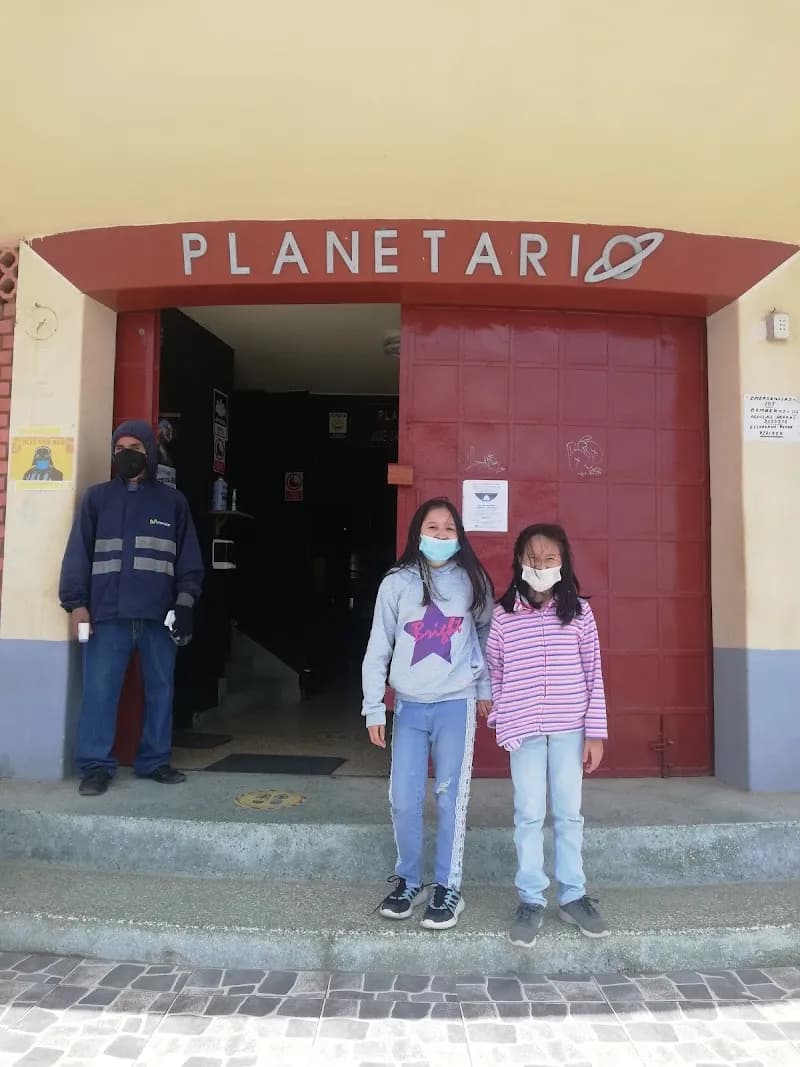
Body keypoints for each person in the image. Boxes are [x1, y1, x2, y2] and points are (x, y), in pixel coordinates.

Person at [362, 498, 493, 930]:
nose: (440, 535)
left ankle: (447, 886)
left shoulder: (473, 580)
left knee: (450, 796)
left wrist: (485, 687)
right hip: (410, 707)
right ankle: (408, 881)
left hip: (456, 702)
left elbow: (485, 634)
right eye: (432, 527)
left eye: (448, 528)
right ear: (417, 532)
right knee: (403, 798)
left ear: (459, 536)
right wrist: (373, 706)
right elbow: (378, 646)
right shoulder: (396, 583)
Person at [59, 420, 204, 797]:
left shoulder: (173, 503)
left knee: (161, 691)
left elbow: (189, 563)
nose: (126, 454)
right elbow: (78, 554)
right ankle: (95, 767)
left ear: (149, 453)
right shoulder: (96, 499)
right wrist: (76, 605)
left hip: (158, 618)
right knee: (99, 693)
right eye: (119, 447)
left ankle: (155, 761)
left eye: (135, 448)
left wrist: (185, 605)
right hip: (107, 617)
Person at [484, 523, 609, 946]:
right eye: (532, 559)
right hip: (524, 733)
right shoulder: (503, 616)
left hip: (570, 729)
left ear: (563, 563)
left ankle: (573, 895)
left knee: (569, 814)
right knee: (529, 814)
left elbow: (594, 674)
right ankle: (531, 897)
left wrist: (595, 733)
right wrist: (502, 715)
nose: (540, 566)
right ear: (519, 562)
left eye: (549, 559)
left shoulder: (579, 614)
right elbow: (494, 671)